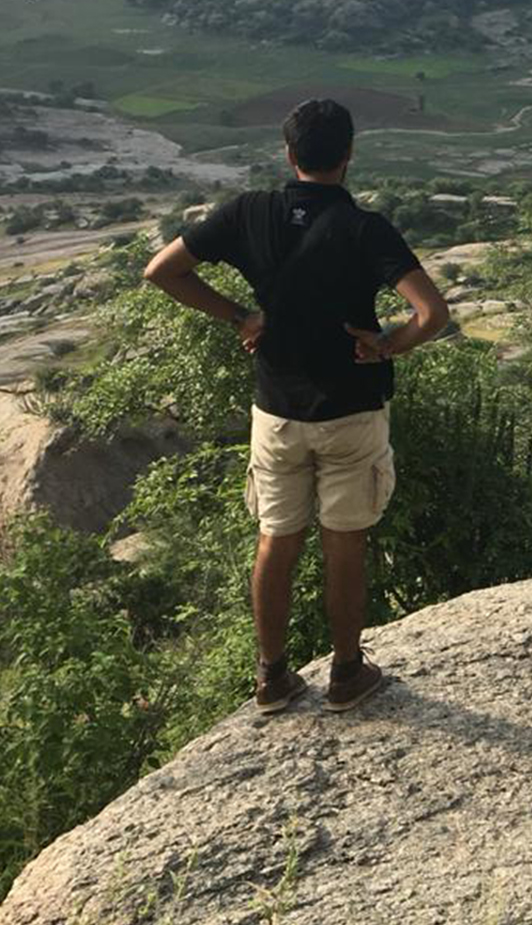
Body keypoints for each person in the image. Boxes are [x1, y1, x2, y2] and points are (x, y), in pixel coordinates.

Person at [143, 98, 449, 713]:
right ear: (349, 155)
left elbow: (162, 271)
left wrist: (239, 316)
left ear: (289, 155)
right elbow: (433, 314)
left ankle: (272, 678)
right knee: (345, 543)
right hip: (353, 410)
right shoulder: (367, 229)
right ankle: (345, 674)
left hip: (277, 409)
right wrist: (388, 344)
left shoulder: (247, 212)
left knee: (276, 539)